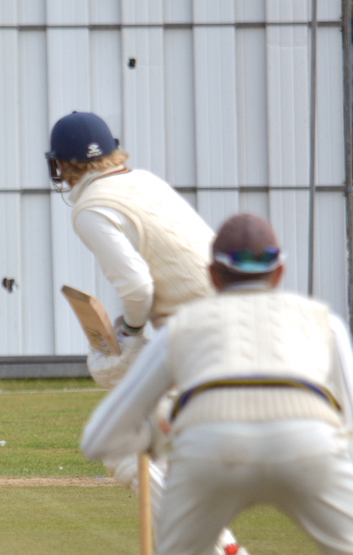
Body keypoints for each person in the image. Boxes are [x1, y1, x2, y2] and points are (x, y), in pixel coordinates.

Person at [82, 213, 353, 554]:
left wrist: (155, 428)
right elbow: (349, 420)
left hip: (213, 450)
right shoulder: (325, 323)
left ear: (212, 275)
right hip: (309, 447)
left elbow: (97, 441)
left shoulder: (182, 327)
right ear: (280, 272)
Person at [46, 111, 244, 554]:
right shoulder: (146, 183)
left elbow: (136, 286)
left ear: (61, 164)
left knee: (123, 446)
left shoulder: (91, 207)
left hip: (206, 339)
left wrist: (131, 334)